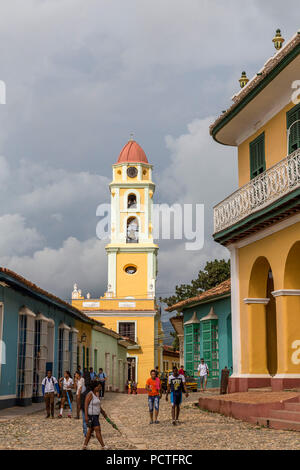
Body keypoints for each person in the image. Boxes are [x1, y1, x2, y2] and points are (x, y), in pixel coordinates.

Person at [83, 380, 108, 450]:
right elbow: (86, 405)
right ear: (94, 387)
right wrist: (86, 416)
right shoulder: (90, 394)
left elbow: (98, 405)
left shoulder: (96, 394)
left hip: (96, 415)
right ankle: (103, 446)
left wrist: (103, 412)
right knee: (98, 430)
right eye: (98, 387)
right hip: (92, 415)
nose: (99, 388)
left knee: (90, 431)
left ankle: (85, 446)